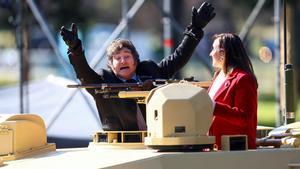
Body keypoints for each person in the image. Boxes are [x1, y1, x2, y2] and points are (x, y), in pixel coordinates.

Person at [60, 2, 215, 131]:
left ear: (135, 60)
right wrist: (75, 49)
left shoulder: (150, 70)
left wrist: (196, 29)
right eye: (117, 58)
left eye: (126, 56)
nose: (122, 61)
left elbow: (178, 58)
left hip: (157, 142)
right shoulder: (103, 80)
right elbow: (83, 72)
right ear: (111, 66)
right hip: (122, 147)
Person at [207, 33, 258, 149]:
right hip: (217, 147)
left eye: (213, 49)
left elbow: (245, 117)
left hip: (236, 149)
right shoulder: (218, 75)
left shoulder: (244, 79)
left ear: (223, 53)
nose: (210, 53)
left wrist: (214, 107)